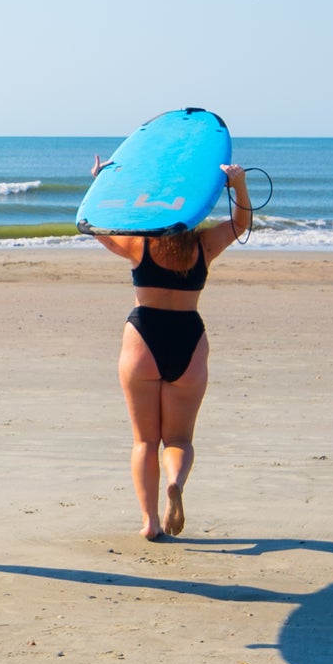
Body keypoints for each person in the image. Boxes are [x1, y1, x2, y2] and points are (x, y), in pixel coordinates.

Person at [86, 163, 251, 541]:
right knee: (178, 440)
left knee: (144, 440)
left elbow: (96, 225)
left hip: (143, 337)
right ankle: (174, 483)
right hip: (188, 340)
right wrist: (239, 185)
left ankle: (150, 522)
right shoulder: (203, 244)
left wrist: (102, 182)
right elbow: (241, 224)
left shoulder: (139, 242)